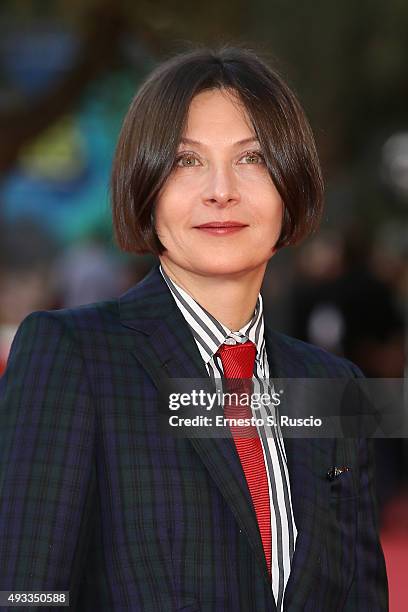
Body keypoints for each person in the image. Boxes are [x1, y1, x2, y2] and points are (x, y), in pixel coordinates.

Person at [0, 46, 388, 611]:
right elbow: (25, 594)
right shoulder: (74, 357)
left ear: (291, 185)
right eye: (187, 161)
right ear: (146, 186)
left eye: (252, 158)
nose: (221, 190)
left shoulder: (332, 388)